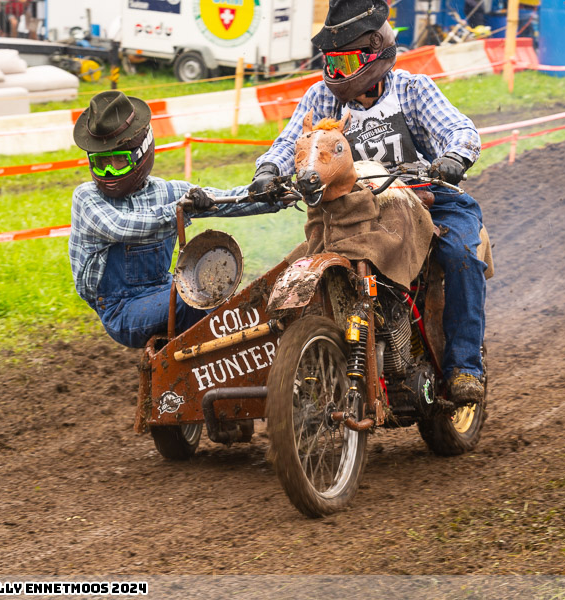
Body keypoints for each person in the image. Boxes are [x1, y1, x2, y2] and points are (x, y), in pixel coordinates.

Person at [251, 0, 488, 406]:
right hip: (353, 214)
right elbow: (289, 141)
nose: (338, 75)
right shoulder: (320, 99)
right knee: (295, 268)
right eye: (333, 63)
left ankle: (465, 366)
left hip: (430, 199)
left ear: (377, 54)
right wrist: (268, 171)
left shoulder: (413, 90)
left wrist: (453, 158)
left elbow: (459, 129)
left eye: (347, 63)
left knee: (461, 253)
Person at [69, 91, 283, 349]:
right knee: (198, 297)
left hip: (165, 289)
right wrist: (181, 208)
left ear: (142, 152)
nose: (108, 172)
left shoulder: (165, 192)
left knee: (224, 293)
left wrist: (275, 195)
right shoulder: (87, 197)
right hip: (120, 309)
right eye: (100, 163)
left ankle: (237, 360)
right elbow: (122, 227)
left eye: (118, 162)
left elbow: (226, 201)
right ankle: (229, 359)